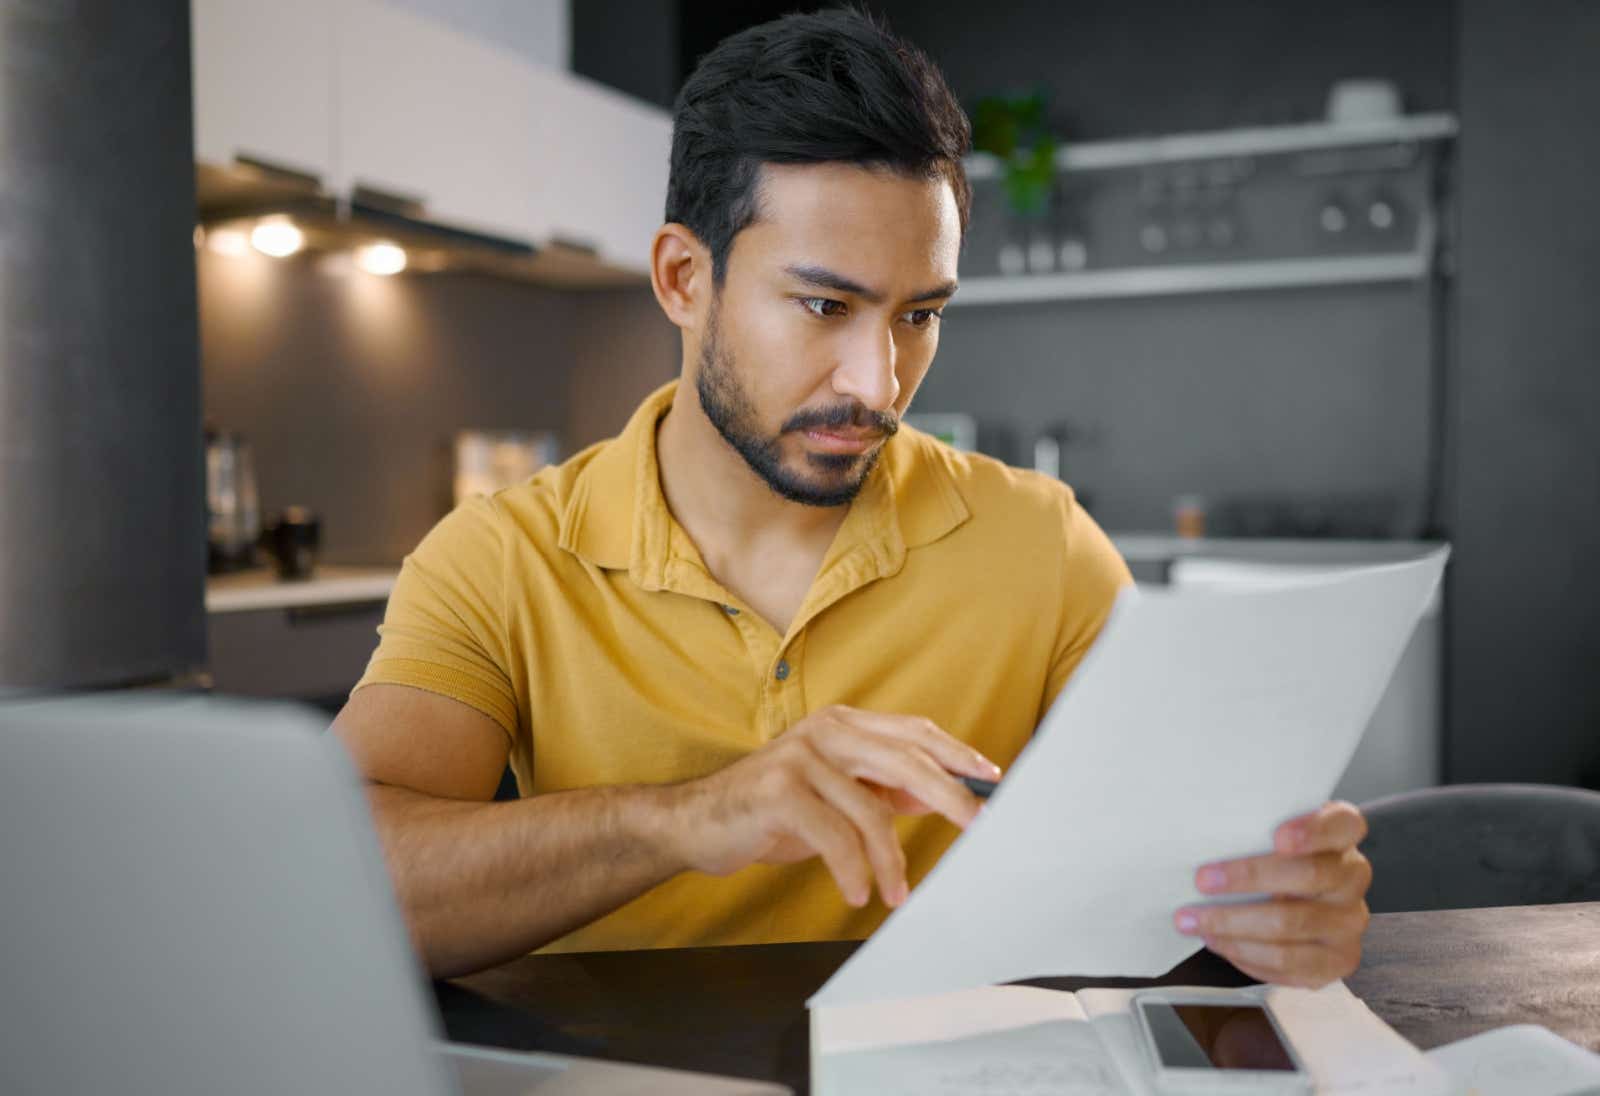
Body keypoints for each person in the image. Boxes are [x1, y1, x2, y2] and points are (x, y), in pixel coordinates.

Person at [333, 9, 1372, 985]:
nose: (877, 384)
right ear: (683, 278)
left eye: (918, 315)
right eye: (822, 305)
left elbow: (1182, 865)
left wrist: (1275, 906)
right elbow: (333, 885)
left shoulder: (1041, 543)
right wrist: (684, 818)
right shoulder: (502, 555)